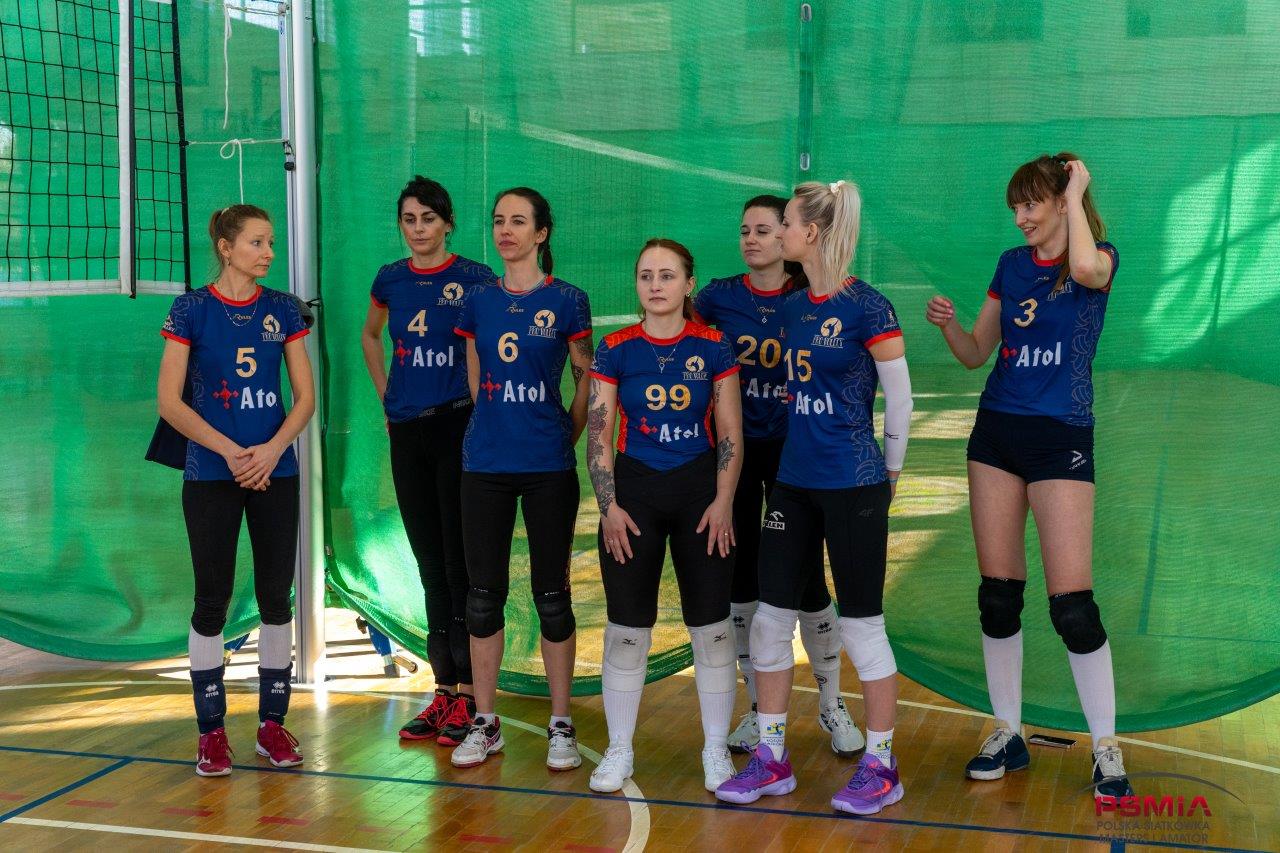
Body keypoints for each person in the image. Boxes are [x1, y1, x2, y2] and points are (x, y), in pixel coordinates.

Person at [924, 153, 1132, 800]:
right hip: (996, 434)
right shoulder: (1010, 265)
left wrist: (1079, 188)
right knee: (998, 595)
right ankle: (1007, 732)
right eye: (1015, 207)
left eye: (1031, 203)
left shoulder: (1098, 259)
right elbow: (975, 354)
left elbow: (1084, 268)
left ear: (1062, 200)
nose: (1020, 217)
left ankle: (1106, 748)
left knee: (1073, 607)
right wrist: (949, 326)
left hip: (1060, 437)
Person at [715, 180, 914, 816]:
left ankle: (882, 766)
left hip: (853, 483)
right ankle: (771, 757)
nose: (778, 232)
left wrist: (891, 473)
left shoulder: (869, 307)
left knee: (862, 626)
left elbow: (900, 399)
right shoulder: (797, 306)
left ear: (813, 232)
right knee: (771, 619)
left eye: (787, 223)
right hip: (794, 483)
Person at [693, 195, 862, 759]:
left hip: (798, 453)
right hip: (736, 451)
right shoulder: (717, 297)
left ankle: (832, 701)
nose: (752, 239)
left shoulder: (808, 295)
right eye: (745, 230)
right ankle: (755, 707)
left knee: (807, 580)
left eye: (765, 229)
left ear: (790, 236)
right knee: (741, 577)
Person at [157, 204, 315, 777]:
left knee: (276, 597)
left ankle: (272, 727)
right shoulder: (192, 309)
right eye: (257, 242)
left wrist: (271, 450)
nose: (269, 252)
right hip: (211, 472)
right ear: (226, 248)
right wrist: (231, 452)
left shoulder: (282, 310)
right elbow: (169, 402)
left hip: (275, 471)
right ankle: (212, 733)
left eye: (271, 242)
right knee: (212, 599)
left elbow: (305, 397)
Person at [586, 239, 744, 795]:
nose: (656, 285)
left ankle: (715, 751)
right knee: (626, 631)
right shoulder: (615, 348)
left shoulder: (715, 346)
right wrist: (608, 508)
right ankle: (619, 750)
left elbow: (730, 431)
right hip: (634, 495)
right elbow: (599, 433)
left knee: (713, 629)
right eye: (646, 275)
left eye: (668, 275)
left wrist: (724, 500)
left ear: (688, 283)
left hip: (701, 495)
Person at [450, 187, 593, 771]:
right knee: (483, 599)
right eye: (498, 221)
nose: (505, 230)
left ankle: (561, 723)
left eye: (517, 221)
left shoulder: (568, 300)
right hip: (485, 465)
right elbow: (475, 377)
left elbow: (586, 380)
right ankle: (485, 723)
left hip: (547, 467)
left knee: (552, 598)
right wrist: (495, 423)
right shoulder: (478, 301)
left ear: (541, 233)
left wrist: (564, 436)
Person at [361, 176, 495, 746]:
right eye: (409, 219)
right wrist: (386, 395)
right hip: (408, 431)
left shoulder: (475, 279)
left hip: (456, 425)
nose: (418, 229)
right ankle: (444, 690)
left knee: (459, 563)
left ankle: (470, 694)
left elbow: (491, 346)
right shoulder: (390, 279)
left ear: (448, 223)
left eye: (428, 219)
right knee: (429, 564)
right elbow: (371, 336)